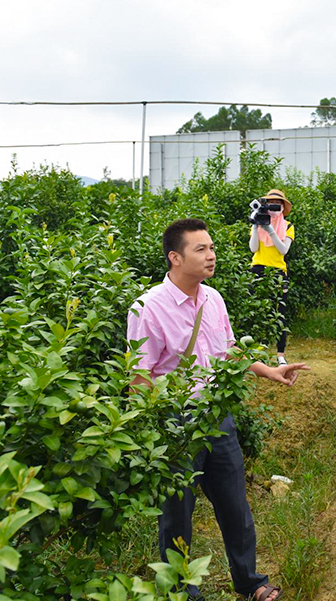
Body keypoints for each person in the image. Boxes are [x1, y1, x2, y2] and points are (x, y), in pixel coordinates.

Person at [128, 218, 310, 601]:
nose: (211, 255)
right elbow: (140, 376)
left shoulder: (213, 298)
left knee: (235, 506)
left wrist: (268, 371)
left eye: (211, 248)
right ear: (175, 257)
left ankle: (250, 583)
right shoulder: (148, 307)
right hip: (175, 424)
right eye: (201, 249)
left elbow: (228, 351)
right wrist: (149, 432)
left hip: (217, 417)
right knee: (176, 514)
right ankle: (182, 590)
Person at [249, 189, 294, 366]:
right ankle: (257, 351)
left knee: (279, 314)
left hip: (277, 271)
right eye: (271, 204)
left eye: (278, 204)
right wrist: (255, 225)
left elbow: (284, 250)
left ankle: (280, 354)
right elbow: (253, 249)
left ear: (283, 207)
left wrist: (271, 230)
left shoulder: (288, 226)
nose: (274, 208)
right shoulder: (258, 222)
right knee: (258, 311)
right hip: (258, 269)